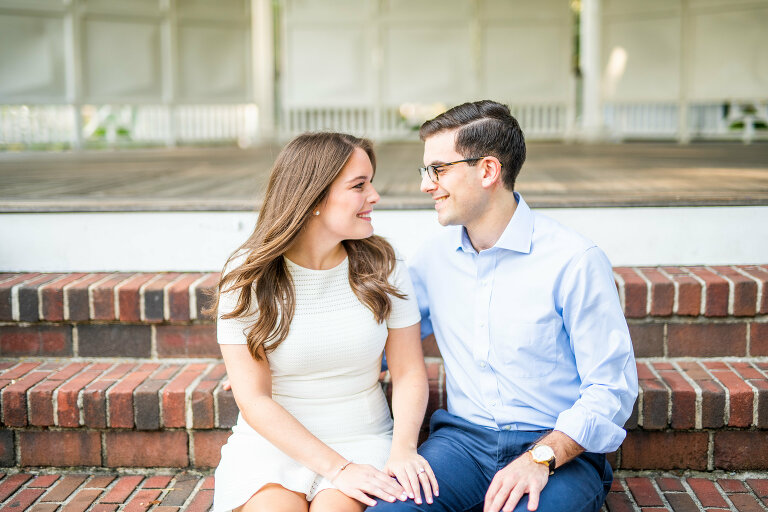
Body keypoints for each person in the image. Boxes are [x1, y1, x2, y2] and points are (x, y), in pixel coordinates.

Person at [375, 100, 638, 512]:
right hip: (461, 444)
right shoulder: (433, 258)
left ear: (488, 171)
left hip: (555, 451)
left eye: (438, 169)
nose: (427, 185)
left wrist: (540, 458)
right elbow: (383, 338)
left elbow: (612, 388)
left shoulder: (574, 260)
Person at [212, 132, 437, 512]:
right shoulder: (246, 276)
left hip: (363, 437)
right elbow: (253, 399)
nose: (375, 196)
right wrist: (337, 467)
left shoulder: (384, 263)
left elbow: (409, 371)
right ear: (314, 197)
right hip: (273, 444)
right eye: (359, 185)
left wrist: (403, 449)